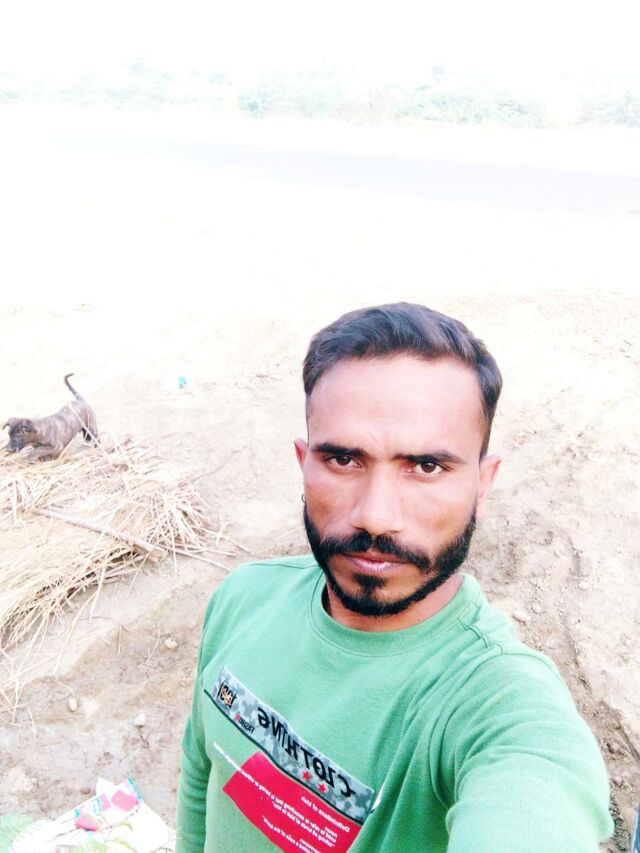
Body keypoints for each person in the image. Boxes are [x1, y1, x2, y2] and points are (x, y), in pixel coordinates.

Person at [176, 302, 612, 852]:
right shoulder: (243, 598)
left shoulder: (497, 704)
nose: (376, 517)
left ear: (483, 483)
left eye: (426, 467)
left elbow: (535, 797)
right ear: (303, 463)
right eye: (343, 460)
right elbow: (202, 775)